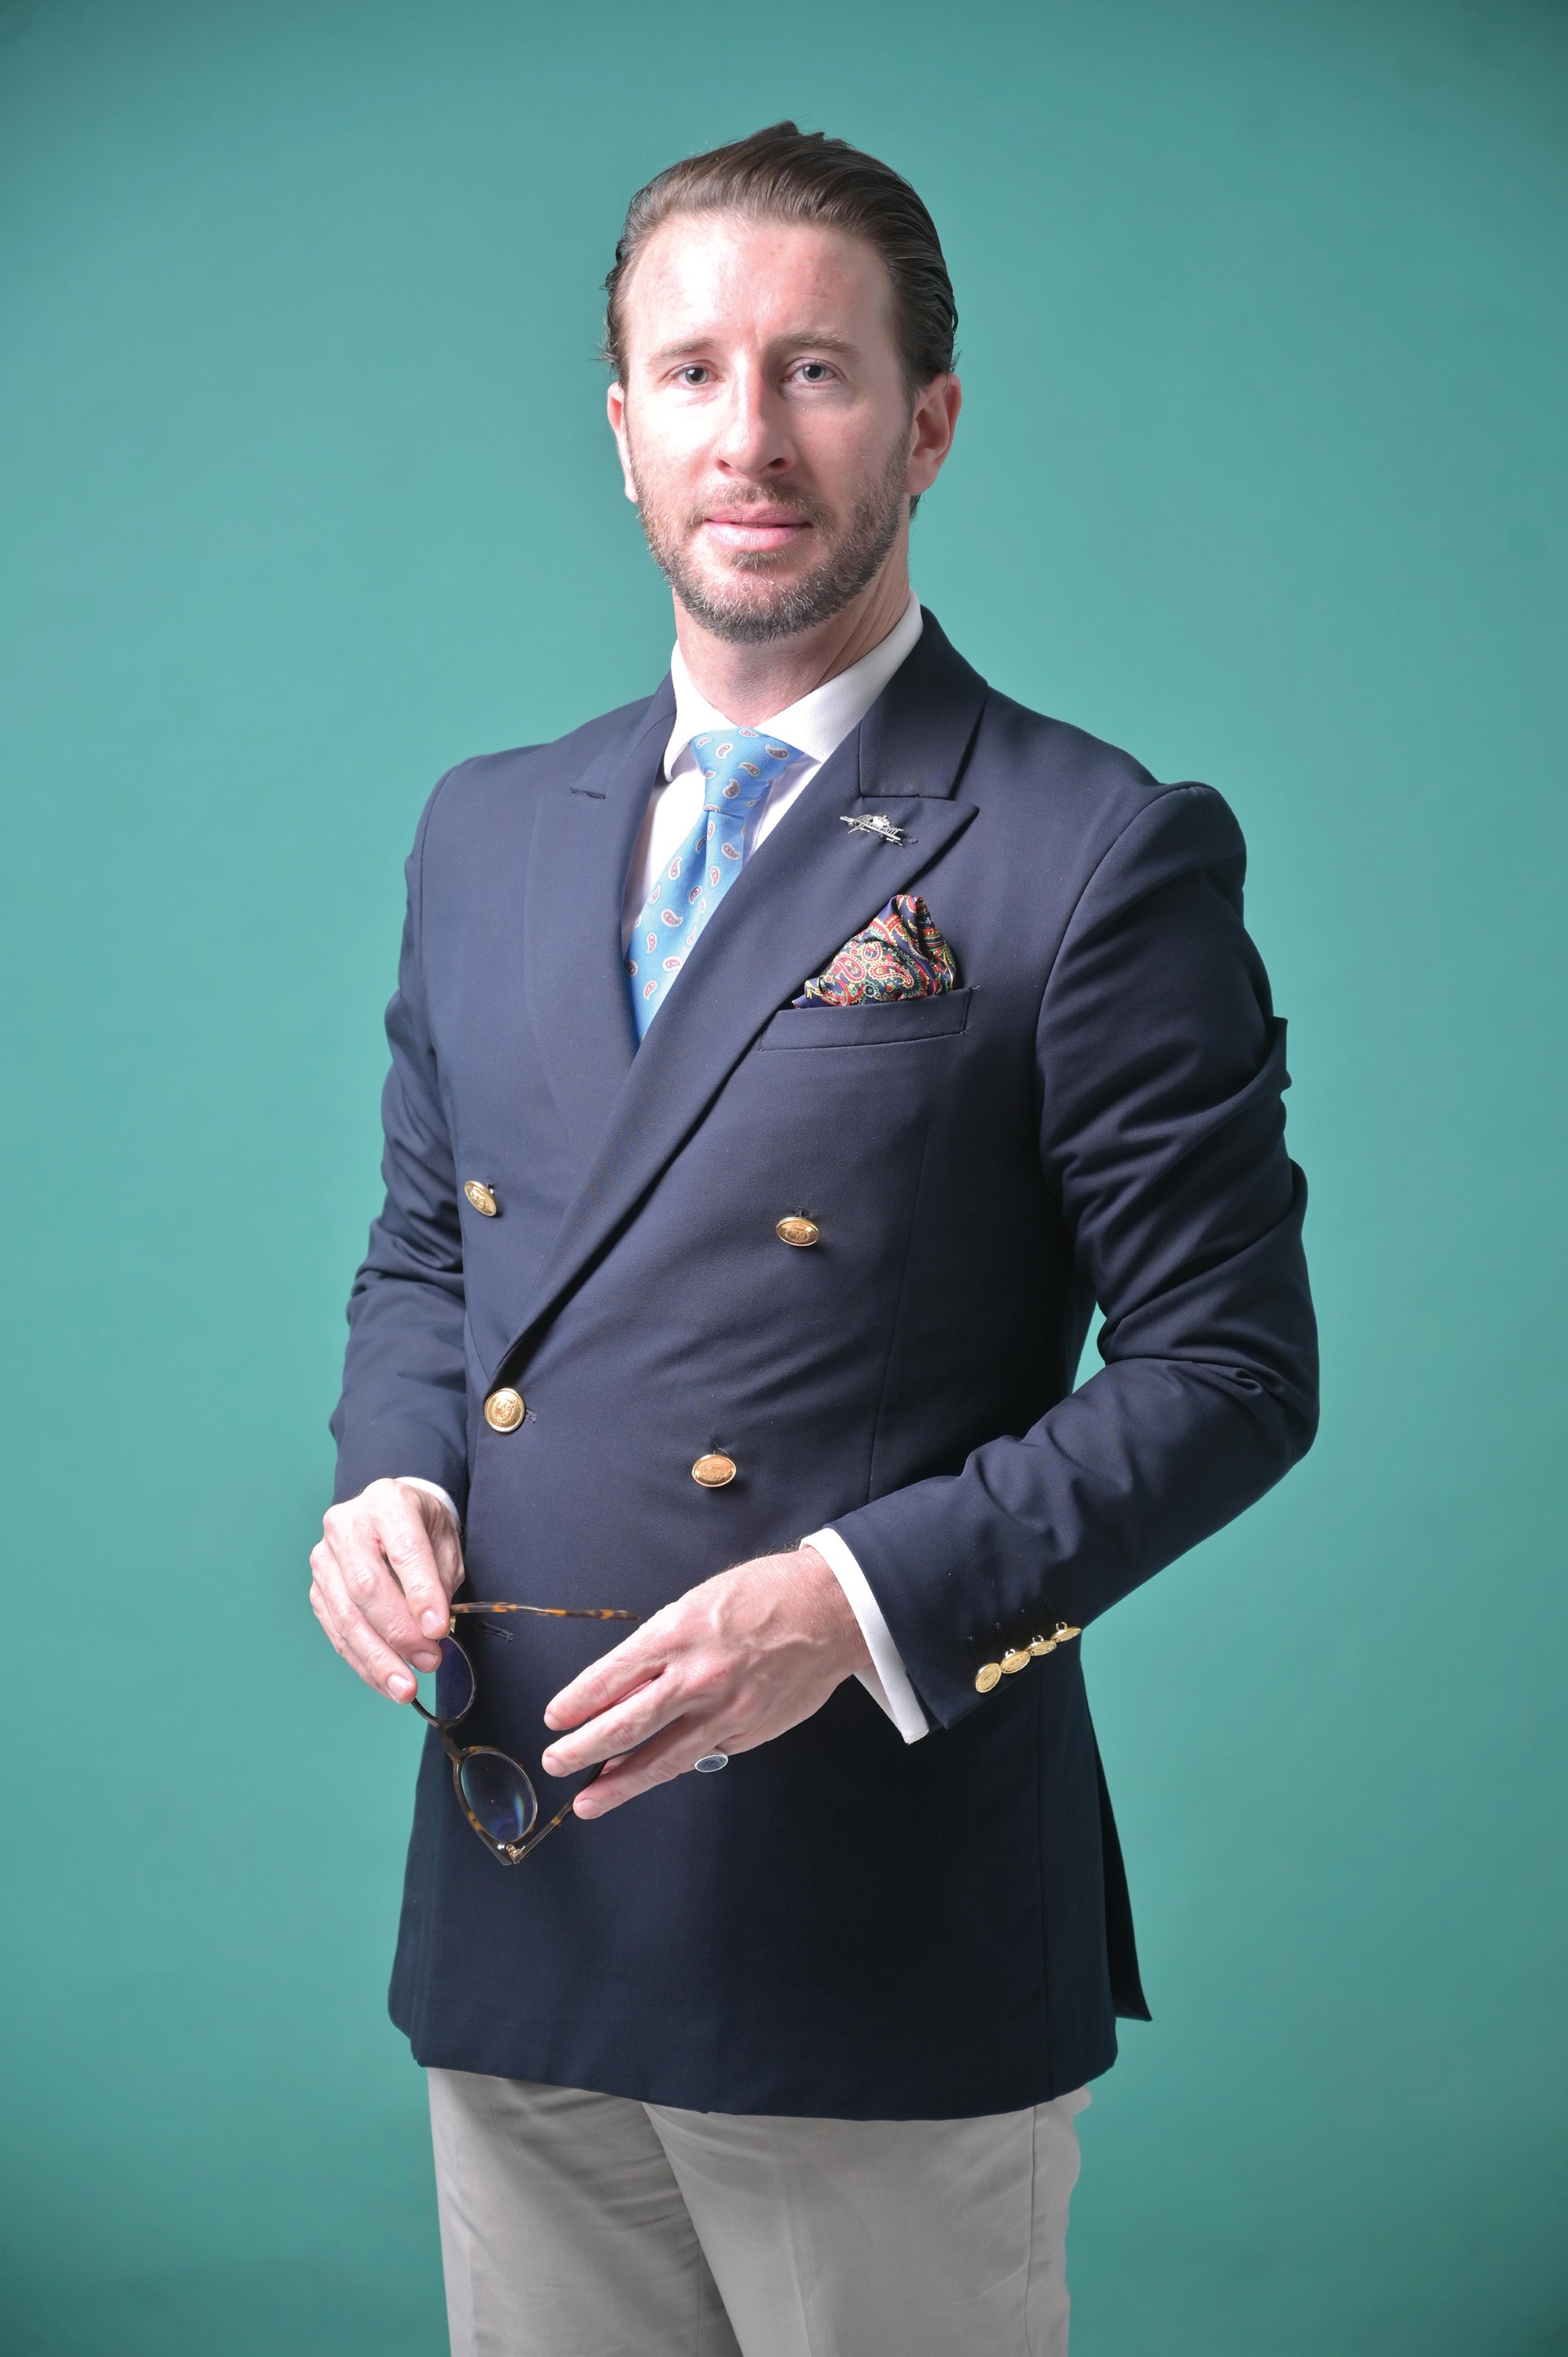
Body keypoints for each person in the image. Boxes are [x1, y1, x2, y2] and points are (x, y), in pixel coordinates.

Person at [310, 121, 1318, 2357]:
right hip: (521, 1871)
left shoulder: (1091, 847)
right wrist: (388, 1477)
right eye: (692, 373)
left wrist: (849, 1606)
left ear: (929, 424)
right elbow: (430, 1258)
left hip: (876, 1918)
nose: (747, 436)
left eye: (816, 372)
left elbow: (1231, 1374)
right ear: (621, 428)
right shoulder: (486, 829)